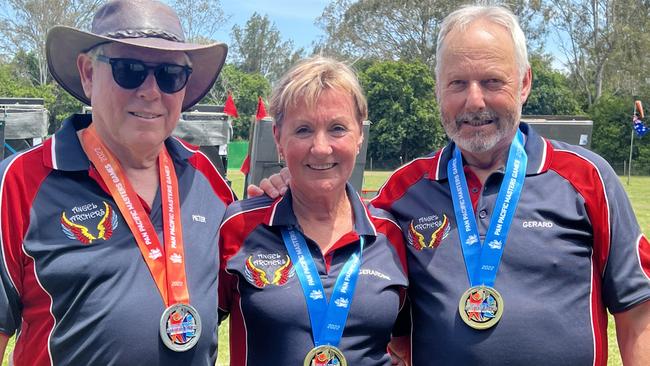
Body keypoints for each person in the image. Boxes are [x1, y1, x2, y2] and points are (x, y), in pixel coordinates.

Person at [259, 5, 650, 365]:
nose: (474, 101)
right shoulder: (403, 191)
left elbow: (638, 314)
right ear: (438, 89)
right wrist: (290, 187)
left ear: (525, 83)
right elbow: (363, 284)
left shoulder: (587, 178)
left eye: (492, 81)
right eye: (458, 83)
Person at [0, 0, 234, 364]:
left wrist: (289, 193)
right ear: (88, 73)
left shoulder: (207, 179)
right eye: (130, 70)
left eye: (170, 75)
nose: (151, 91)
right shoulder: (19, 182)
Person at [218, 56, 409, 366]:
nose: (321, 148)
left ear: (360, 135)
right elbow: (188, 333)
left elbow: (408, 341)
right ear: (279, 138)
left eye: (337, 128)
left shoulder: (391, 233)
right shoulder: (238, 226)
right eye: (303, 130)